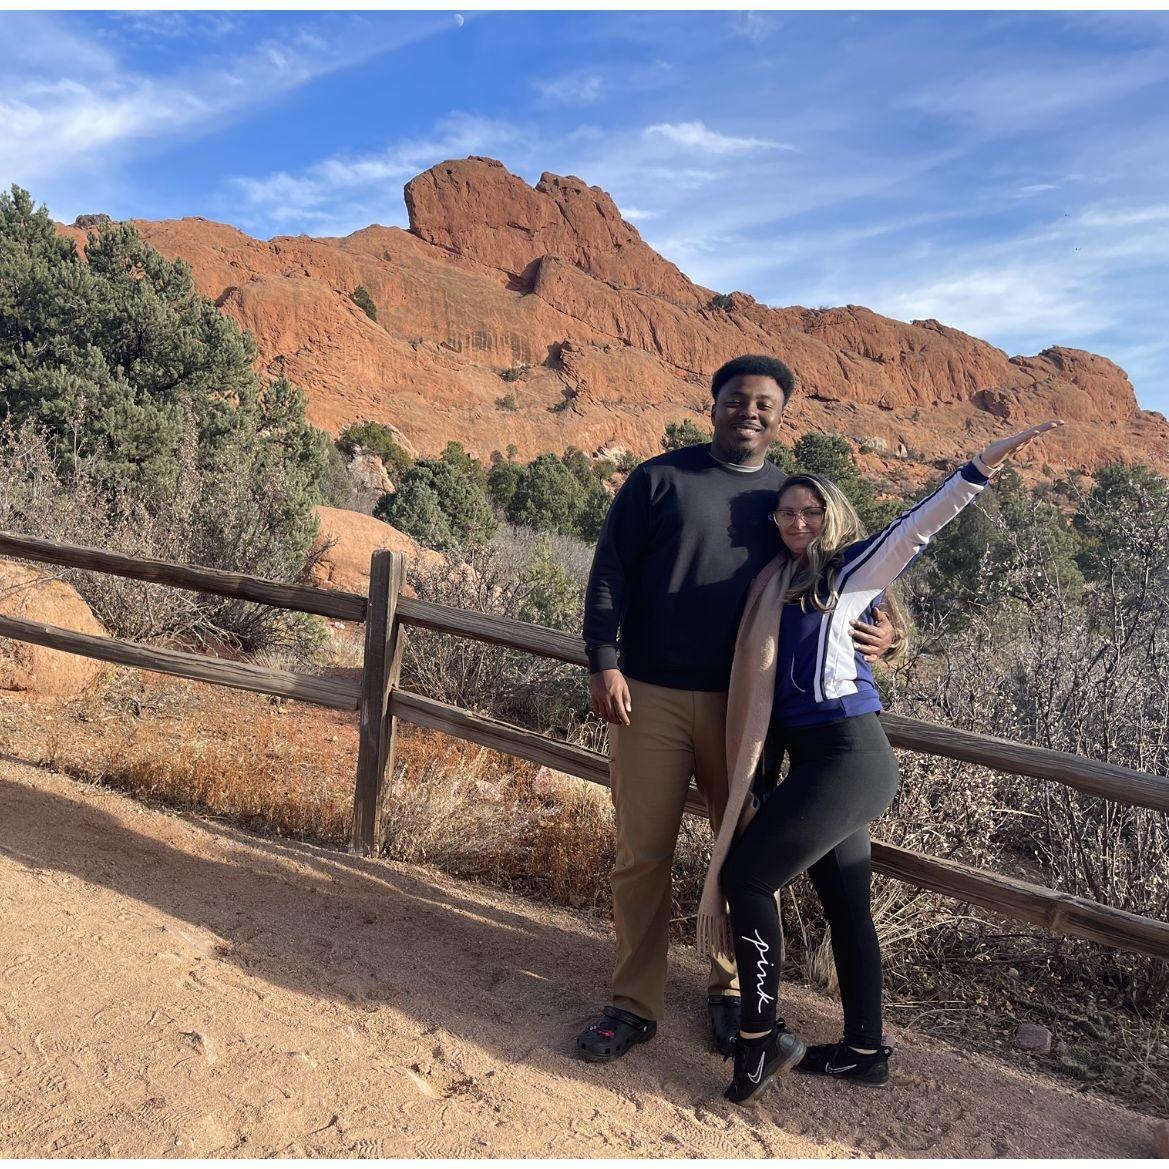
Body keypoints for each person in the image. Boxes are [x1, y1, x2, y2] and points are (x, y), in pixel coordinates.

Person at [695, 418, 1064, 1105]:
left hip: (850, 756)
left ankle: (760, 1037)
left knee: (746, 877)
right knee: (846, 907)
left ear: (832, 515)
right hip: (812, 760)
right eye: (786, 511)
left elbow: (920, 524)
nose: (797, 520)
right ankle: (863, 1051)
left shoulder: (852, 569)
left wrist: (979, 465)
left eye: (811, 510)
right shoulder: (775, 582)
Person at [576, 354, 900, 1063]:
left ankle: (735, 997)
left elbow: (851, 574)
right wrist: (603, 659)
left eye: (764, 405)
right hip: (649, 694)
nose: (748, 412)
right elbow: (609, 572)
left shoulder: (786, 501)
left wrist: (890, 631)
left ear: (780, 417)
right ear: (713, 403)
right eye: (736, 399)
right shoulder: (658, 479)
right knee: (642, 855)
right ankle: (633, 1003)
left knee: (743, 855)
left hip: (748, 712)